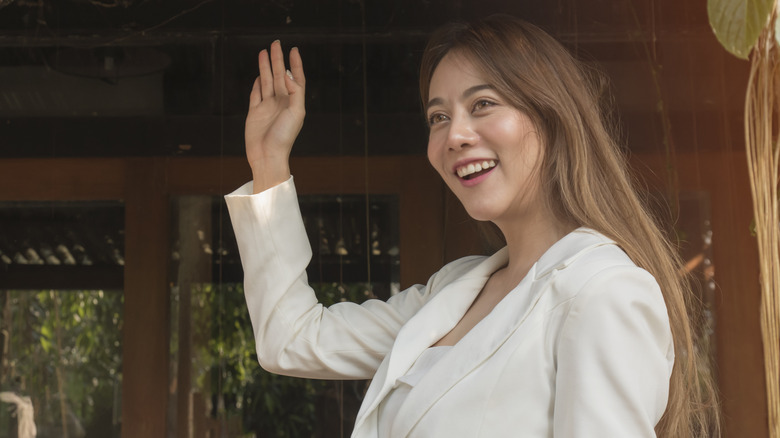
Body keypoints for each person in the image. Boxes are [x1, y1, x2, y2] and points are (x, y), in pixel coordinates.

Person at [225, 15, 719, 438]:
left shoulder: (602, 291)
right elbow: (291, 340)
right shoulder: (456, 290)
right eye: (438, 116)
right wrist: (270, 161)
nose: (454, 134)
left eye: (482, 104)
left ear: (552, 118)